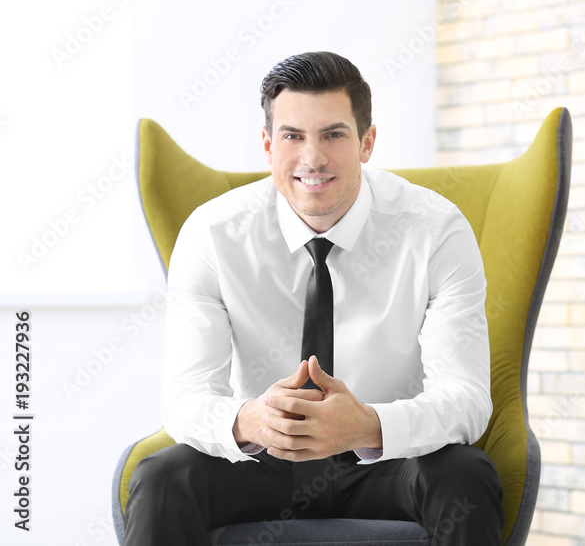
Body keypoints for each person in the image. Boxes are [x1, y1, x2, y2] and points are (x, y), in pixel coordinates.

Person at [124, 51, 503, 545]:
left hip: (387, 460)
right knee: (162, 478)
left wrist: (368, 425)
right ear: (267, 144)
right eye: (293, 136)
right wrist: (251, 420)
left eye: (333, 134)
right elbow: (185, 397)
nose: (312, 158)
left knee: (465, 476)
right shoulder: (212, 234)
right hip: (260, 461)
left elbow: (467, 400)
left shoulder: (436, 231)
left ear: (367, 142)